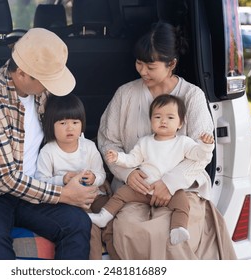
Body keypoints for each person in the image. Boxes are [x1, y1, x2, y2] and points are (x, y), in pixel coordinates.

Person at [0, 28, 98, 260]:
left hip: (32, 183)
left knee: (77, 223)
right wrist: (63, 194)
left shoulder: (39, 91)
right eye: (47, 80)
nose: (51, 87)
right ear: (21, 73)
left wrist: (65, 177)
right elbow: (5, 180)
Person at [97, 22, 237, 259]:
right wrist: (128, 173)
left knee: (171, 234)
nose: (142, 71)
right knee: (128, 228)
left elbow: (203, 152)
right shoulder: (125, 94)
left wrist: (170, 183)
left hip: (180, 190)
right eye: (139, 63)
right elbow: (108, 141)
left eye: (150, 66)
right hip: (135, 188)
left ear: (171, 64)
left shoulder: (192, 96)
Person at [89, 95, 214, 246]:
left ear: (180, 123)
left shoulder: (183, 143)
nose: (163, 121)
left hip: (170, 192)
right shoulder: (145, 142)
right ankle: (104, 216)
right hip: (144, 188)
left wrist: (206, 146)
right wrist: (118, 157)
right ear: (151, 121)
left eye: (170, 117)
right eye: (157, 116)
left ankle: (178, 229)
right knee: (121, 194)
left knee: (183, 204)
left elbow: (199, 155)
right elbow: (132, 160)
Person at [35, 94, 110, 259]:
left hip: (95, 195)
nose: (70, 128)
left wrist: (94, 178)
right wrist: (62, 180)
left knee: (113, 217)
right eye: (63, 123)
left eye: (75, 123)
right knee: (90, 229)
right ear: (50, 125)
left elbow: (101, 174)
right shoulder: (48, 151)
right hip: (71, 201)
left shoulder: (89, 146)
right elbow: (40, 181)